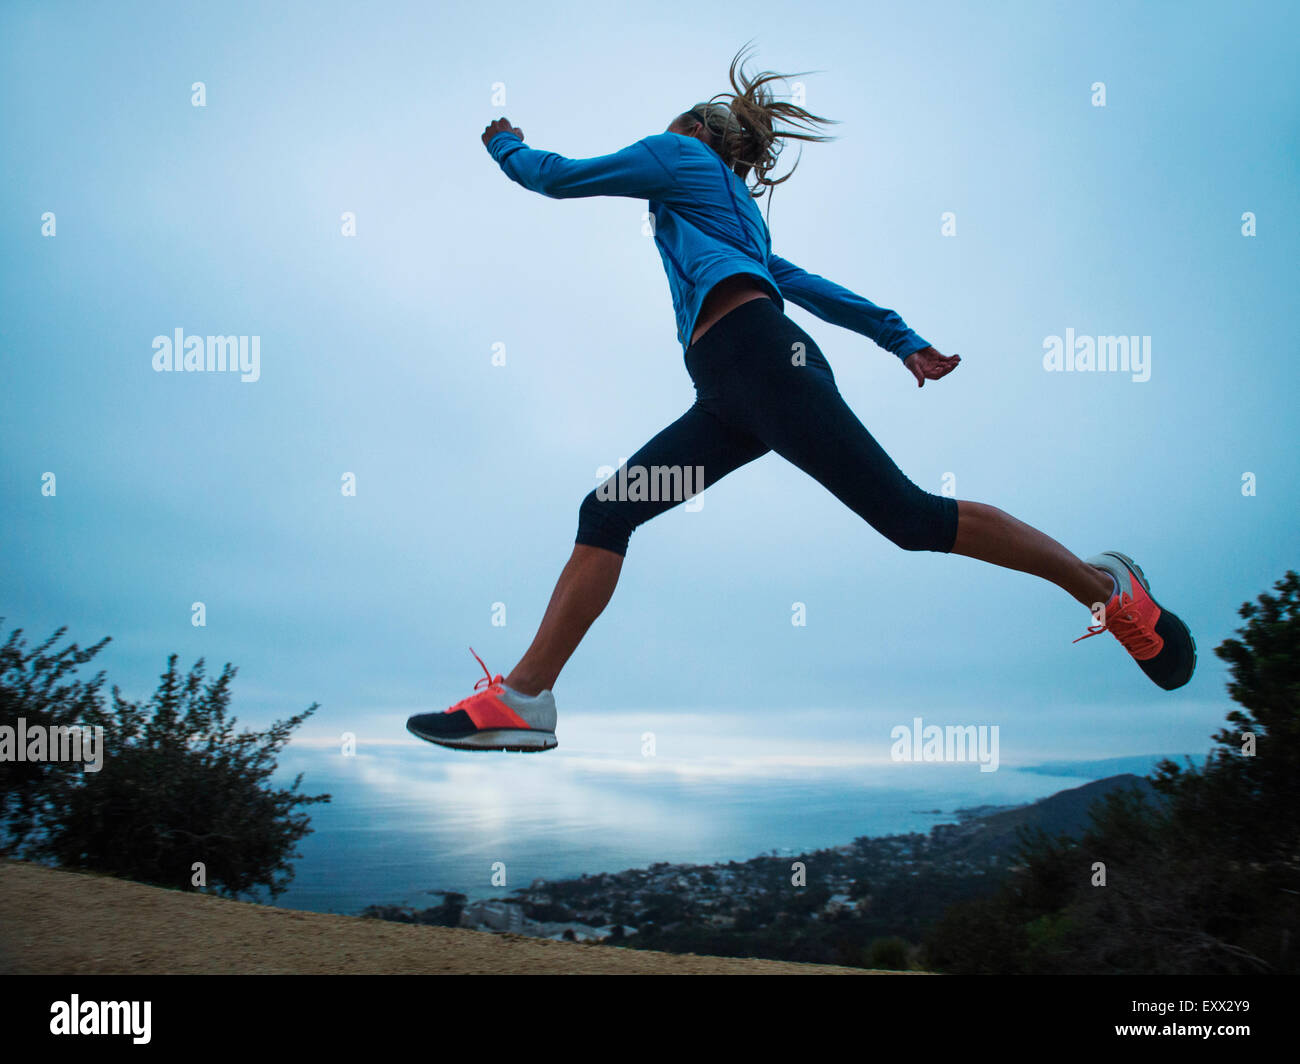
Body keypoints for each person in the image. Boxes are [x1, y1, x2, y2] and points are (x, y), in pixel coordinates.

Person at [407, 47, 1195, 753]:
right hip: (732, 394)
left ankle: (1106, 589)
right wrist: (898, 336)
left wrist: (503, 141)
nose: (656, 141)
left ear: (696, 133)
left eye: (672, 129)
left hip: (762, 365)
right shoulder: (731, 216)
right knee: (609, 510)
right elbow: (808, 285)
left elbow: (557, 177)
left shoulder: (676, 155)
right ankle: (525, 699)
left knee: (915, 520)